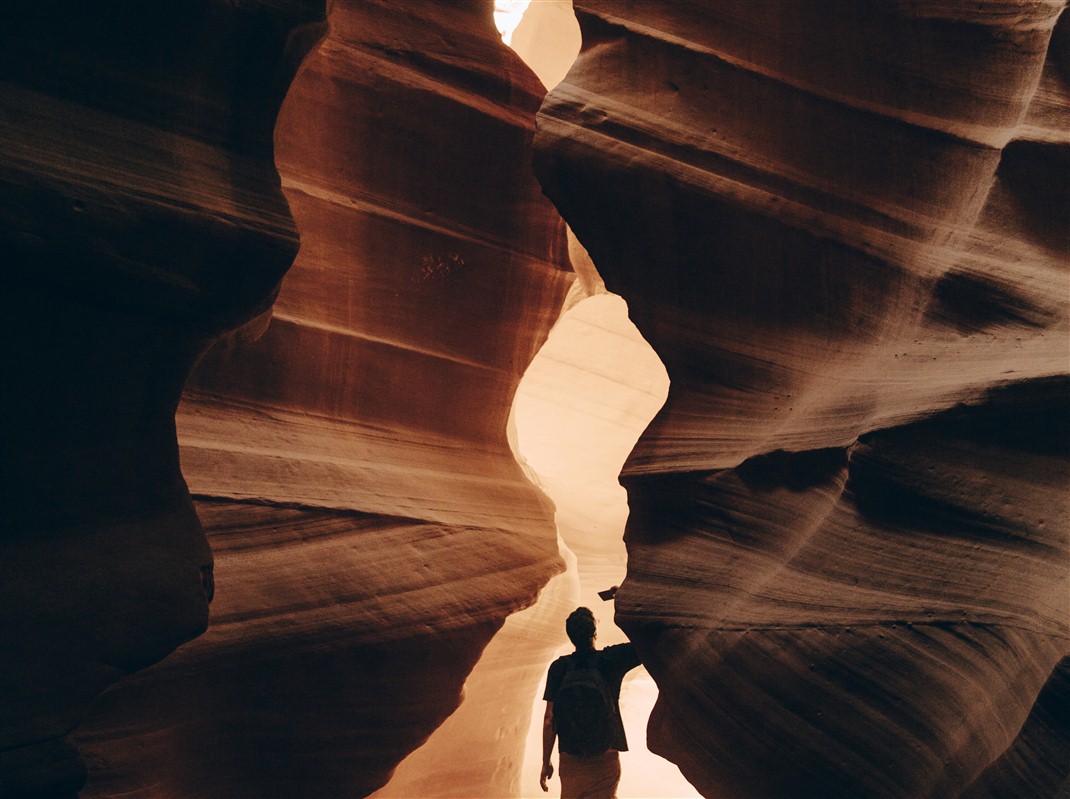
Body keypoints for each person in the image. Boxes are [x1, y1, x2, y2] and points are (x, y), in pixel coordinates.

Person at [539, 591, 641, 798]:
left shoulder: (559, 668)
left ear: (570, 636)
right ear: (594, 633)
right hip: (606, 753)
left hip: (570, 758)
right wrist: (626, 599)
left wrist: (545, 761)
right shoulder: (611, 659)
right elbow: (644, 643)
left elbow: (550, 719)